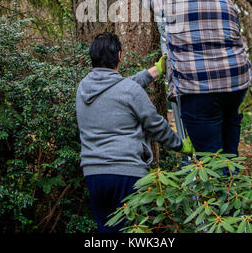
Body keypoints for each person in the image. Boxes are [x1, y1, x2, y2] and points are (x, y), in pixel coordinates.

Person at [76, 32, 194, 233]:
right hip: (127, 173)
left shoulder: (83, 88)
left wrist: (154, 72)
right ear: (120, 56)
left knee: (107, 232)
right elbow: (155, 124)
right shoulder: (128, 90)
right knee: (135, 231)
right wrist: (180, 145)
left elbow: (119, 89)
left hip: (94, 175)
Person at [140, 0, 252, 159]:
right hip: (236, 84)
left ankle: (218, 188)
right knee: (229, 151)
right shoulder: (226, 1)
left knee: (211, 158)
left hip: (199, 90)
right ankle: (234, 186)